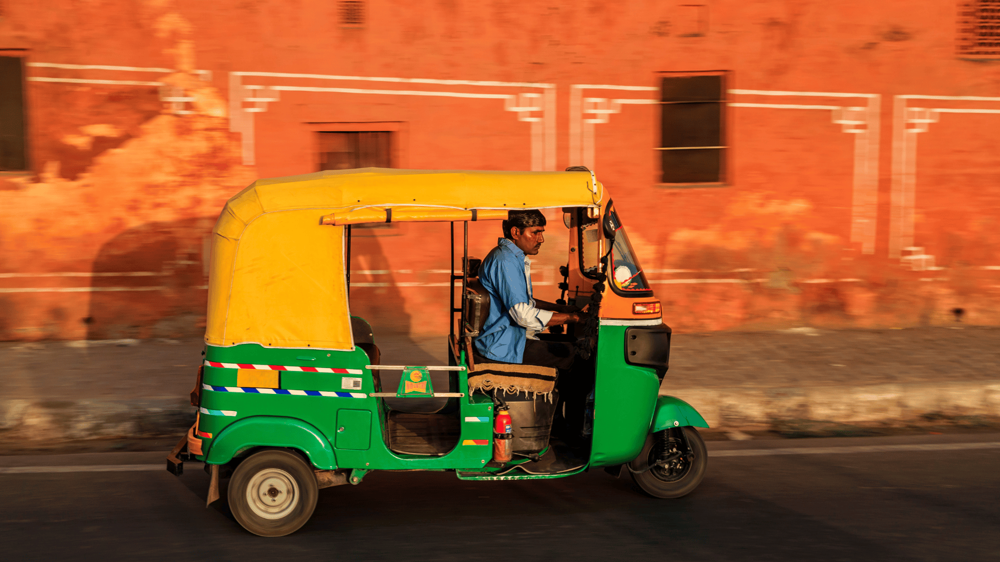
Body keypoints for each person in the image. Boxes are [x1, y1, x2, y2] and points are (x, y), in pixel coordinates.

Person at [473, 210, 582, 370]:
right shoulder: (505, 261)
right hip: (503, 345)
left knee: (572, 343)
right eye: (536, 233)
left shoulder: (511, 257)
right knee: (580, 355)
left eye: (541, 233)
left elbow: (525, 301)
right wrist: (573, 317)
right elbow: (523, 314)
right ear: (516, 232)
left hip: (511, 337)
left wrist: (562, 309)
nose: (541, 239)